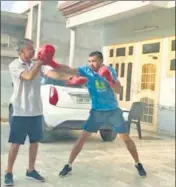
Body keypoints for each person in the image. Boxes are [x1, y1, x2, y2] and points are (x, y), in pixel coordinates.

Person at [44, 51, 147, 178]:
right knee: (82, 139)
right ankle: (69, 165)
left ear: (101, 61)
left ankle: (138, 163)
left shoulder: (109, 70)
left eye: (94, 61)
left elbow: (119, 90)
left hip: (112, 111)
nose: (91, 63)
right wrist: (52, 64)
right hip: (96, 112)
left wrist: (108, 79)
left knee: (125, 138)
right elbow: (69, 70)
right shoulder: (86, 70)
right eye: (89, 61)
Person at [4, 39, 46, 186]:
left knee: (34, 142)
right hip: (20, 111)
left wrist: (71, 77)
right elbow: (28, 76)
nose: (33, 52)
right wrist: (40, 63)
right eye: (30, 49)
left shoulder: (36, 64)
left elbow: (52, 74)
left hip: (36, 110)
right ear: (21, 51)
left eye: (33, 49)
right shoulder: (14, 65)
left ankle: (31, 170)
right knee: (16, 144)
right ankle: (8, 172)